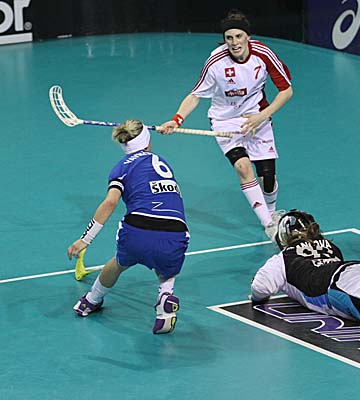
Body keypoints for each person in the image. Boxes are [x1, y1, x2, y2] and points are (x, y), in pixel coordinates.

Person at [158, 9, 293, 241]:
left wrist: (262, 116)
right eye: (229, 38)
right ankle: (269, 224)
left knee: (268, 178)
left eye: (239, 36)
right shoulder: (215, 62)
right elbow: (195, 95)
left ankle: (271, 211)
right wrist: (176, 119)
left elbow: (286, 90)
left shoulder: (263, 54)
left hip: (257, 116)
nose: (234, 42)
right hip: (225, 120)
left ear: (247, 37)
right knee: (242, 167)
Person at [67, 120, 190, 334]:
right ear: (147, 141)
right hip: (176, 232)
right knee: (166, 268)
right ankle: (165, 298)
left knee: (118, 263)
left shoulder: (121, 168)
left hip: (137, 231)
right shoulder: (163, 162)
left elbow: (110, 202)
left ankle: (90, 301)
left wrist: (85, 239)